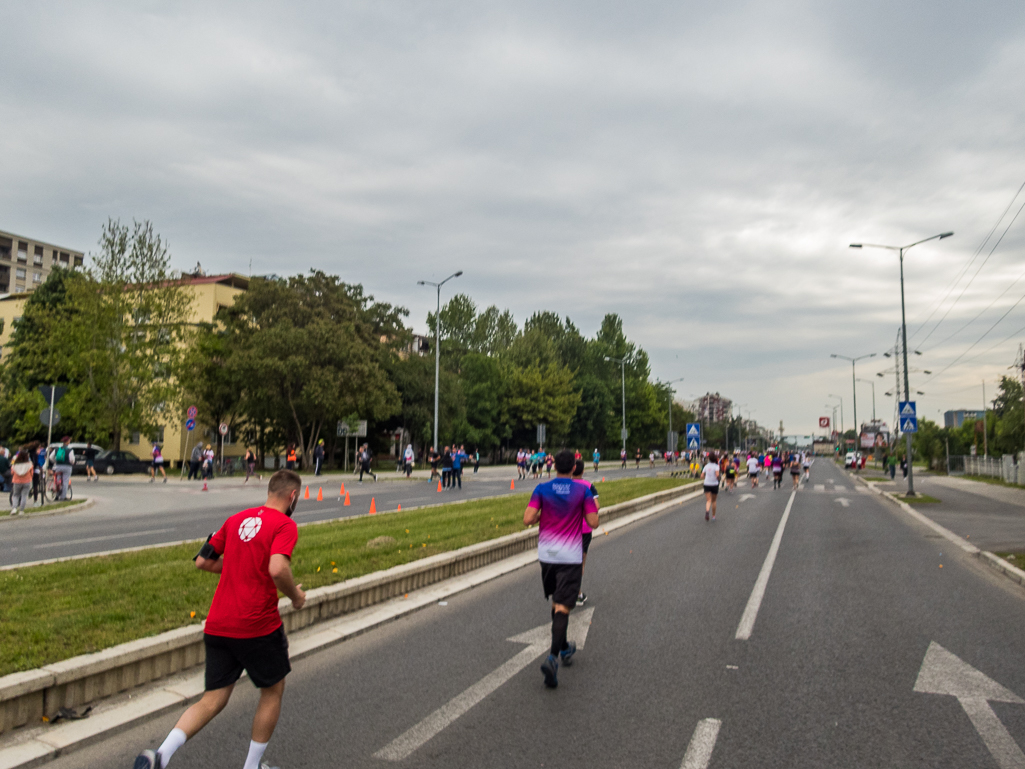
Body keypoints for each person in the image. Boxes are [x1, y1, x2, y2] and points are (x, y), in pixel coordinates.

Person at [133, 470, 305, 769]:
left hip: (219, 624)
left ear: (269, 491)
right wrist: (296, 596)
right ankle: (251, 767)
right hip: (257, 626)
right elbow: (278, 569)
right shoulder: (285, 525)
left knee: (213, 698)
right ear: (292, 496)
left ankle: (161, 755)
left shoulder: (235, 519)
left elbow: (203, 560)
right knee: (272, 690)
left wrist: (238, 566)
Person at [523, 450, 598, 689]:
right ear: (575, 466)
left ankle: (564, 646)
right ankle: (552, 658)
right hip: (570, 556)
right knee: (564, 607)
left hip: (547, 555)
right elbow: (593, 521)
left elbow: (527, 519)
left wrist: (542, 516)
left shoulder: (542, 489)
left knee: (557, 603)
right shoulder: (582, 490)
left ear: (554, 466)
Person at [571, 459, 600, 605]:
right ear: (582, 471)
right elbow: (596, 506)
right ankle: (577, 594)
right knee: (580, 562)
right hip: (584, 529)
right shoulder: (589, 486)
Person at [10, 449, 33, 515]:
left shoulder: (15, 464)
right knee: (24, 496)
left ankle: (14, 508)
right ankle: (21, 510)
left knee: (16, 495)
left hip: (16, 481)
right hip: (26, 481)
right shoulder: (29, 464)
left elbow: (12, 472)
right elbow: (32, 473)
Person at [702, 452, 720, 521]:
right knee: (714, 501)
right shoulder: (716, 466)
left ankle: (707, 511)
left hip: (706, 484)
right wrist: (719, 479)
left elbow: (702, 475)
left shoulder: (706, 466)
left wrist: (706, 477)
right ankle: (713, 516)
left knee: (708, 500)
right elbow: (717, 475)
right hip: (714, 484)